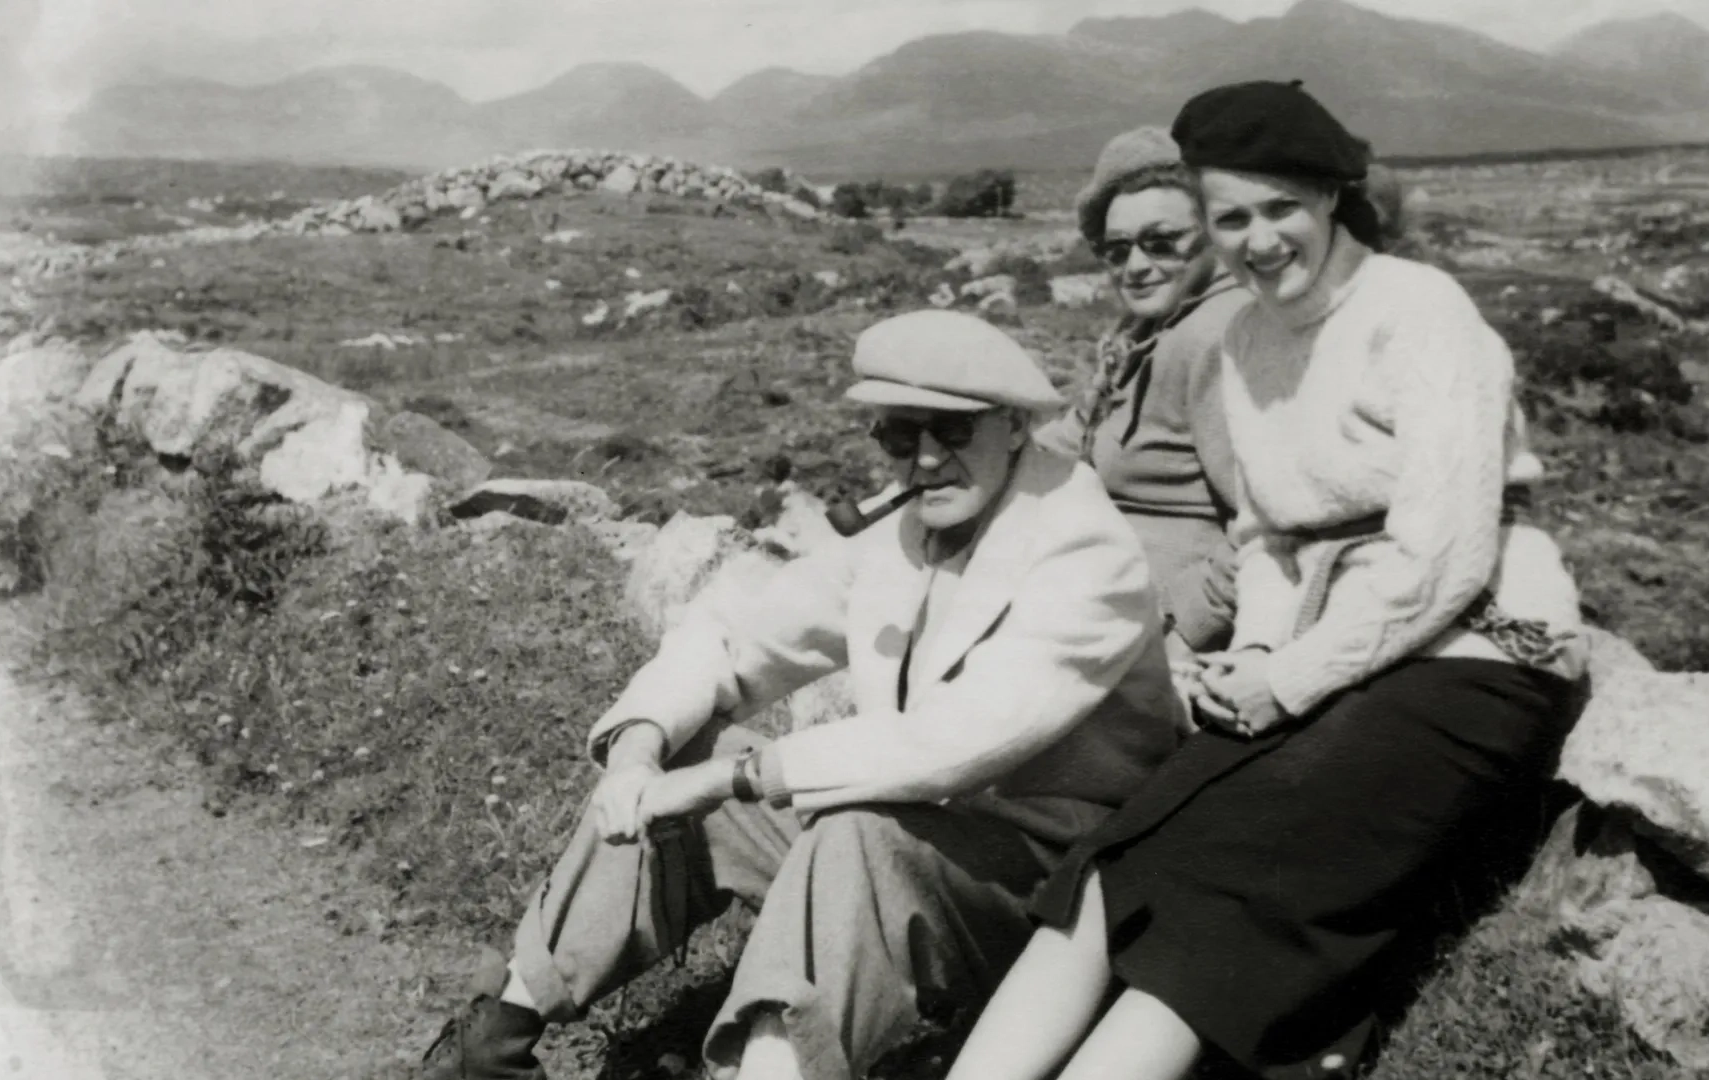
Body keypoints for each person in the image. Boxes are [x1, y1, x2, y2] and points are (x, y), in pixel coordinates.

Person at [946, 80, 1588, 1080]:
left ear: (1334, 197)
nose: (1259, 240)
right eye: (1231, 218)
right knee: (1122, 862)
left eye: (1281, 207)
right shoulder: (1246, 339)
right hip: (1324, 651)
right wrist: (1251, 652)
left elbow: (1444, 556)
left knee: (1240, 882)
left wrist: (1286, 681)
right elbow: (1268, 541)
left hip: (1468, 654)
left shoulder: (1419, 310)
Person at [415, 309, 1185, 1080]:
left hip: (1047, 893)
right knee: (689, 748)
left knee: (845, 828)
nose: (923, 460)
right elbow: (735, 635)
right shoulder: (904, 533)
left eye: (952, 432)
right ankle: (500, 1038)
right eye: (897, 435)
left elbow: (958, 743)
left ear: (1016, 426)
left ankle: (772, 1067)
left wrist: (732, 779)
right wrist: (639, 752)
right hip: (909, 843)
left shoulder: (1085, 549)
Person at [1039, 127, 1253, 670]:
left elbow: (1268, 520)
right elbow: (1072, 438)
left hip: (1163, 635)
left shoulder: (1218, 335)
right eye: (1116, 250)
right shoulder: (1147, 327)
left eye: (1161, 242)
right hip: (1110, 606)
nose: (1135, 265)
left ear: (1213, 233)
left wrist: (1189, 630)